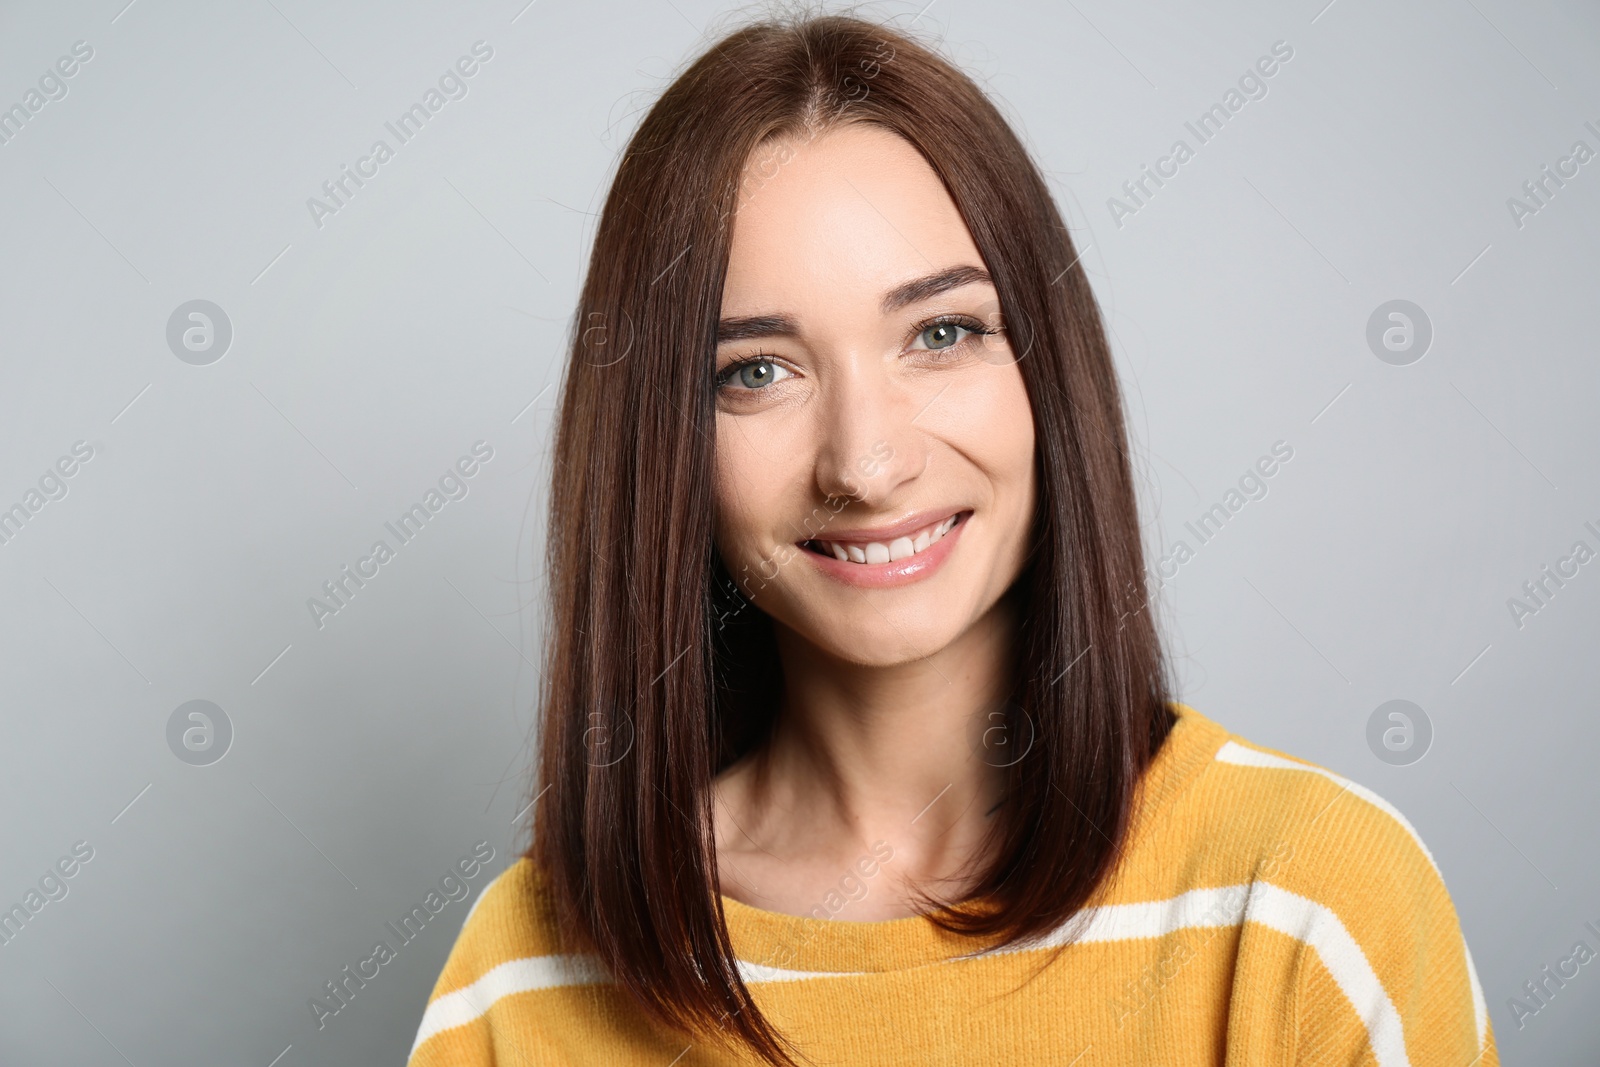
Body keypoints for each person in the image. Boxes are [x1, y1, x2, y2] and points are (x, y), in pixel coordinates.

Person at [406, 9, 1498, 1065]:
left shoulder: (1309, 904)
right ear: (661, 444)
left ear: (1045, 368)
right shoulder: (526, 972)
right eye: (755, 370)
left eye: (942, 332)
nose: (866, 464)